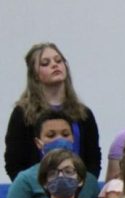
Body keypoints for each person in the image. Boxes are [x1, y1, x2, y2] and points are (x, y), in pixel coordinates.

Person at [5, 110, 103, 198]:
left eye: (65, 134)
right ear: (38, 143)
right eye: (51, 135)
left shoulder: (90, 180)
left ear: (73, 139)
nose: (60, 139)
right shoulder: (24, 181)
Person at [5, 42, 101, 180]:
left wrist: (85, 188)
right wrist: (32, 189)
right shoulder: (23, 113)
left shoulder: (83, 113)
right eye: (45, 63)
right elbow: (13, 163)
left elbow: (93, 159)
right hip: (37, 192)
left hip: (77, 192)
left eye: (58, 61)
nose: (54, 65)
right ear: (35, 75)